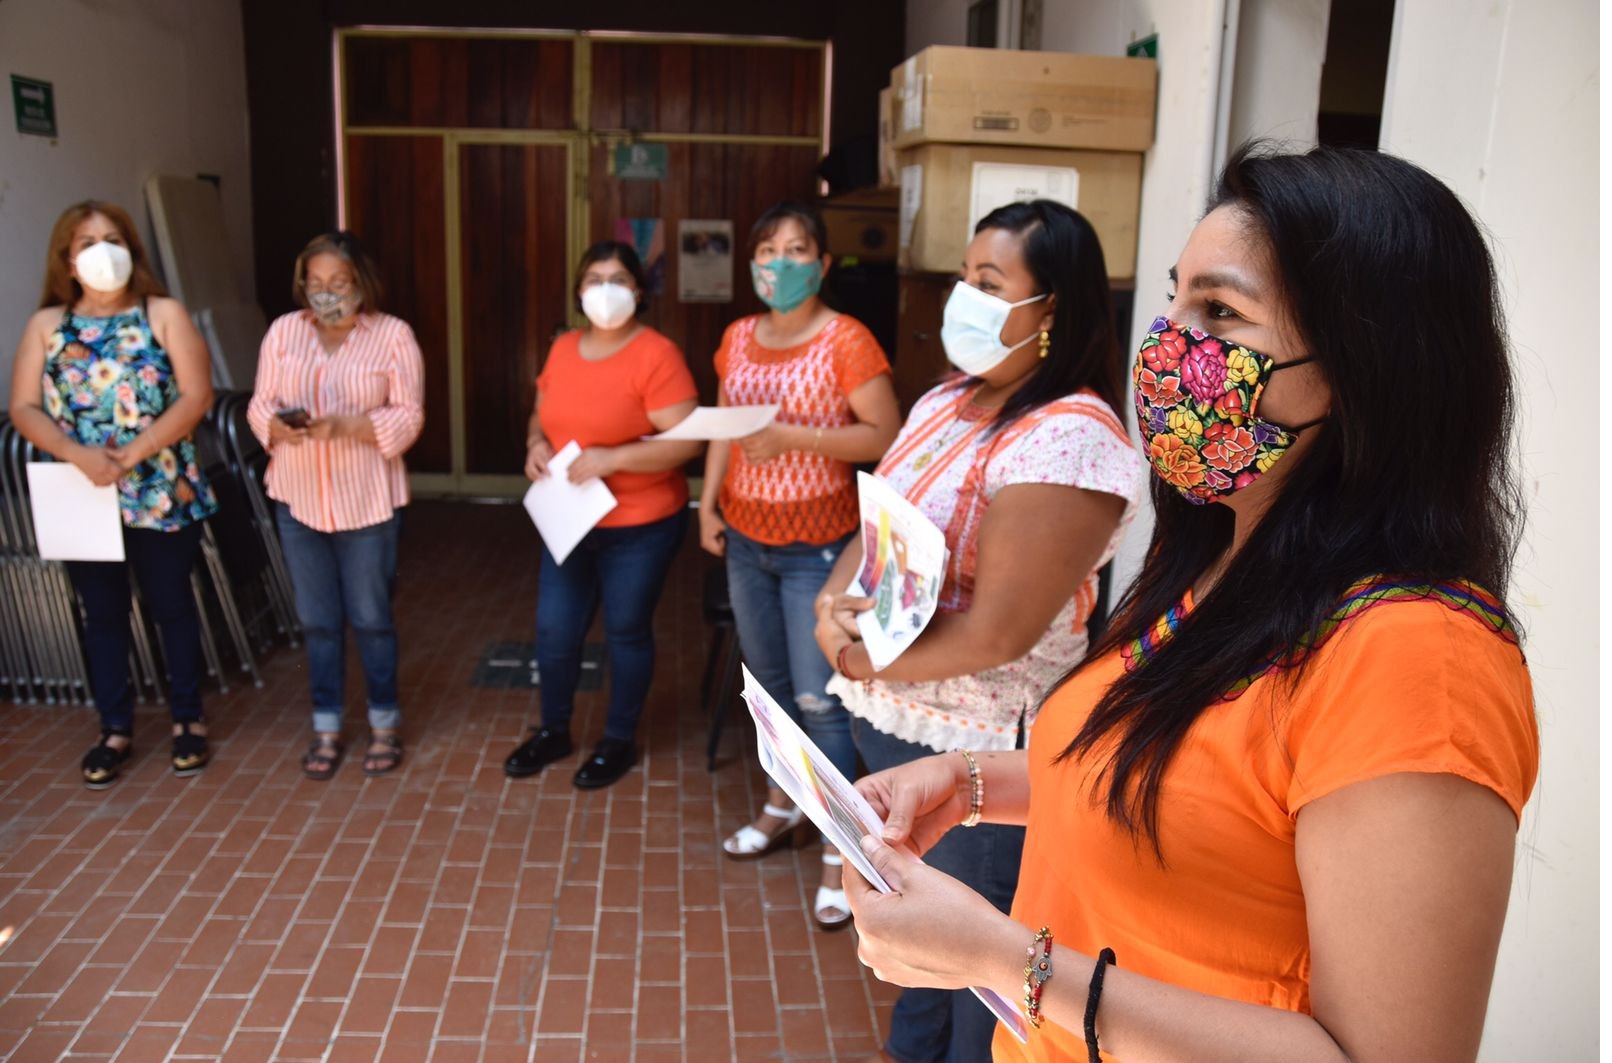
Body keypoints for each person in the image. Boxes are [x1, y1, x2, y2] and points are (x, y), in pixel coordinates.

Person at [841, 144, 1540, 1063]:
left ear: (1367, 368)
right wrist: (969, 783)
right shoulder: (1213, 555)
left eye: (1220, 311)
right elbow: (1180, 793)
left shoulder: (1418, 655)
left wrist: (1005, 958)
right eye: (1174, 298)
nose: (1166, 344)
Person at [813, 200, 1142, 1063]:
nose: (964, 298)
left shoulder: (1071, 438)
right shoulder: (948, 398)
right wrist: (832, 602)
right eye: (964, 277)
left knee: (980, 978)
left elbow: (998, 631)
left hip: (981, 756)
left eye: (989, 284)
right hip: (893, 728)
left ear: (1053, 311)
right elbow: (879, 514)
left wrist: (857, 649)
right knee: (916, 943)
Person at [702, 200, 902, 929]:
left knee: (823, 704)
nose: (778, 263)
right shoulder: (737, 336)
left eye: (795, 250)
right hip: (747, 539)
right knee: (774, 693)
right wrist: (706, 502)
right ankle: (784, 804)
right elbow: (724, 424)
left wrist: (791, 435)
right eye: (766, 250)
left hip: (816, 548)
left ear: (821, 265)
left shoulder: (846, 339)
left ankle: (840, 850)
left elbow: (886, 433)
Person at [8, 201, 219, 788]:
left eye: (113, 237)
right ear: (68, 261)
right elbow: (23, 404)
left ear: (132, 248)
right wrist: (76, 453)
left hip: (159, 485)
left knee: (172, 604)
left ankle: (187, 719)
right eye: (87, 241)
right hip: (82, 492)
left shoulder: (163, 313)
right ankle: (114, 728)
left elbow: (196, 395)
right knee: (101, 613)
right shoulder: (47, 327)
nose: (103, 250)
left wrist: (136, 450)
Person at [503, 241, 702, 789]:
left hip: (640, 524)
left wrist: (615, 458)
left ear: (638, 290)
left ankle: (617, 739)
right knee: (554, 629)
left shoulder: (656, 354)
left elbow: (687, 441)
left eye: (619, 278)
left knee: (625, 630)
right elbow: (541, 416)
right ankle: (555, 730)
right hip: (569, 518)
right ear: (578, 291)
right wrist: (535, 444)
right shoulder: (564, 348)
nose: (606, 288)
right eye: (594, 278)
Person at [247, 231, 424, 780]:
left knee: (371, 619)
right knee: (318, 622)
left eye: (338, 283)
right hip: (298, 498)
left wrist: (352, 425)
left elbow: (410, 415)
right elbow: (261, 404)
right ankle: (326, 724)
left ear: (361, 283)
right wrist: (275, 427)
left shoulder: (392, 336)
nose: (325, 294)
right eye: (315, 283)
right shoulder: (283, 332)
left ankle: (384, 724)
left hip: (366, 501)